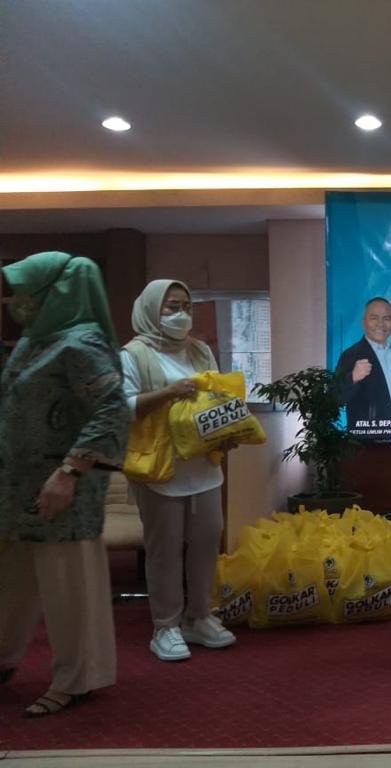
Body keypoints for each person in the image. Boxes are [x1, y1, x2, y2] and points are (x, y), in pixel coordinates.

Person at [0, 252, 129, 717]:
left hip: (62, 487)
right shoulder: (34, 341)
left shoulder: (83, 343)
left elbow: (112, 408)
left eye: (23, 290)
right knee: (11, 581)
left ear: (56, 291)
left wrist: (70, 471)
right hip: (17, 487)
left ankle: (78, 678)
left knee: (67, 584)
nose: (15, 300)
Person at [121, 279, 236, 662]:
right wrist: (169, 393)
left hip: (204, 466)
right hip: (160, 468)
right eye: (172, 306)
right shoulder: (133, 354)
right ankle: (165, 625)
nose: (181, 314)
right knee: (165, 550)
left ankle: (199, 616)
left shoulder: (200, 350)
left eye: (186, 305)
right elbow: (122, 406)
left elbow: (217, 398)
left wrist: (227, 432)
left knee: (207, 542)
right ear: (151, 309)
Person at [332, 297, 391, 441]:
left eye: (386, 318)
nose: (380, 324)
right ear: (363, 322)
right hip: (366, 445)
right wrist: (352, 378)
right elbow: (334, 399)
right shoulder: (351, 355)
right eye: (374, 318)